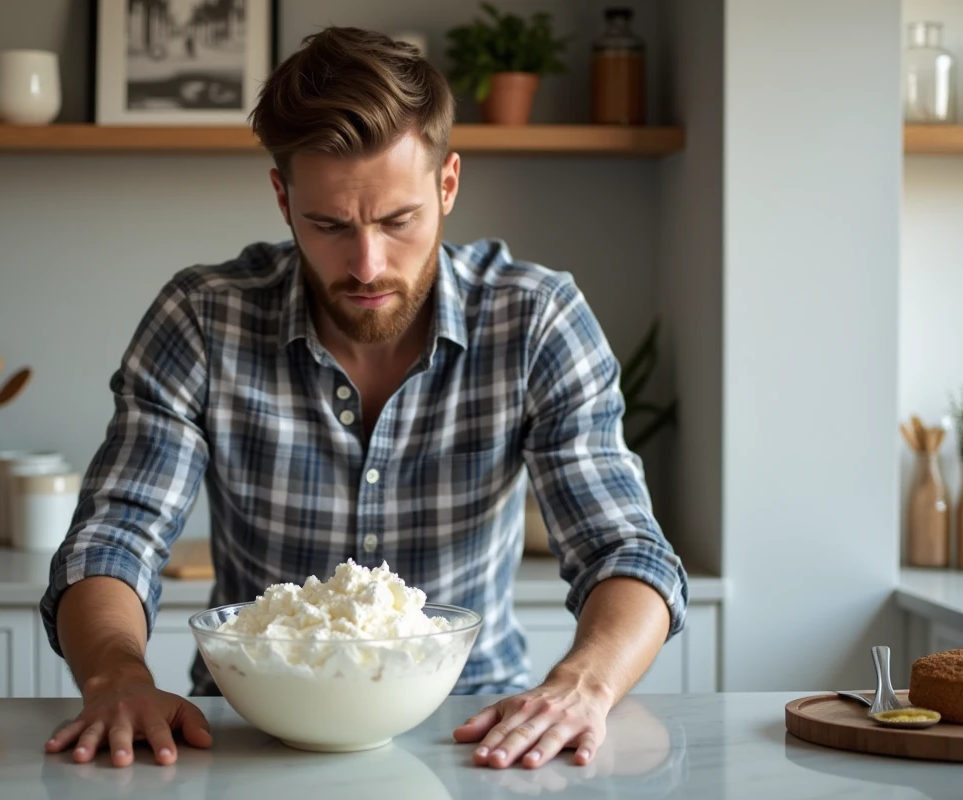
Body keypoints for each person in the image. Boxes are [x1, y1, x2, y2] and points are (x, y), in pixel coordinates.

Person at [39, 26, 688, 771]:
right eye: (330, 225)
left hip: (477, 734)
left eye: (397, 220)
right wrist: (116, 677)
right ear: (283, 200)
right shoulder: (201, 318)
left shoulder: (534, 317)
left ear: (447, 185)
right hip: (246, 732)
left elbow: (626, 550)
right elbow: (116, 536)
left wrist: (584, 685)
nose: (368, 264)